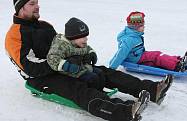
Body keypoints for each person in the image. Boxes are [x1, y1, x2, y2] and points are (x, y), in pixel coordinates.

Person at [5, 1, 173, 121]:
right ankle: (125, 111)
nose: (38, 6)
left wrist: (80, 55)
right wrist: (62, 64)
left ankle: (152, 90)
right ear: (20, 9)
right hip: (41, 77)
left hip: (62, 65)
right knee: (78, 89)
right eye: (32, 3)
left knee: (103, 72)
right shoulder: (15, 34)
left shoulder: (45, 25)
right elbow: (29, 66)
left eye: (37, 2)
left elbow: (63, 45)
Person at [109, 11, 187, 72]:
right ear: (135, 27)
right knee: (156, 56)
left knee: (157, 54)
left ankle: (178, 60)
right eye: (142, 26)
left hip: (139, 55)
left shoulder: (133, 34)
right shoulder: (129, 39)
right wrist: (111, 68)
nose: (144, 27)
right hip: (136, 59)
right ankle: (177, 66)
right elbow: (121, 53)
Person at [47, 17, 105, 91]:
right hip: (68, 72)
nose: (86, 39)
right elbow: (52, 58)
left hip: (81, 67)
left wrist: (91, 53)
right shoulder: (60, 46)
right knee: (92, 78)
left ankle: (99, 91)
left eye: (86, 36)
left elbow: (87, 48)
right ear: (73, 37)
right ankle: (90, 94)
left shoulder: (79, 43)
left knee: (100, 73)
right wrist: (67, 66)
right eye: (83, 37)